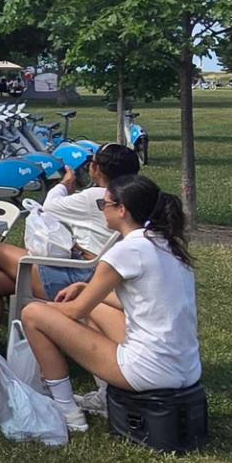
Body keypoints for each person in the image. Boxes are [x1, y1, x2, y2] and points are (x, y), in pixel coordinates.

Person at [17, 174, 200, 432]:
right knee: (98, 308)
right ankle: (105, 398)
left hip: (147, 371)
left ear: (122, 210)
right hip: (185, 368)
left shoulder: (125, 251)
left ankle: (66, 410)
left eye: (105, 205)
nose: (103, 211)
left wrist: (46, 309)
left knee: (33, 314)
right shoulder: (166, 244)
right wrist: (86, 289)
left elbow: (76, 310)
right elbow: (140, 302)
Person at [0, 142, 142, 330]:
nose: (89, 166)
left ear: (98, 169)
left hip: (80, 276)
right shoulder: (132, 195)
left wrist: (65, 183)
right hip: (96, 275)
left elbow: (50, 206)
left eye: (91, 162)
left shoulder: (96, 197)